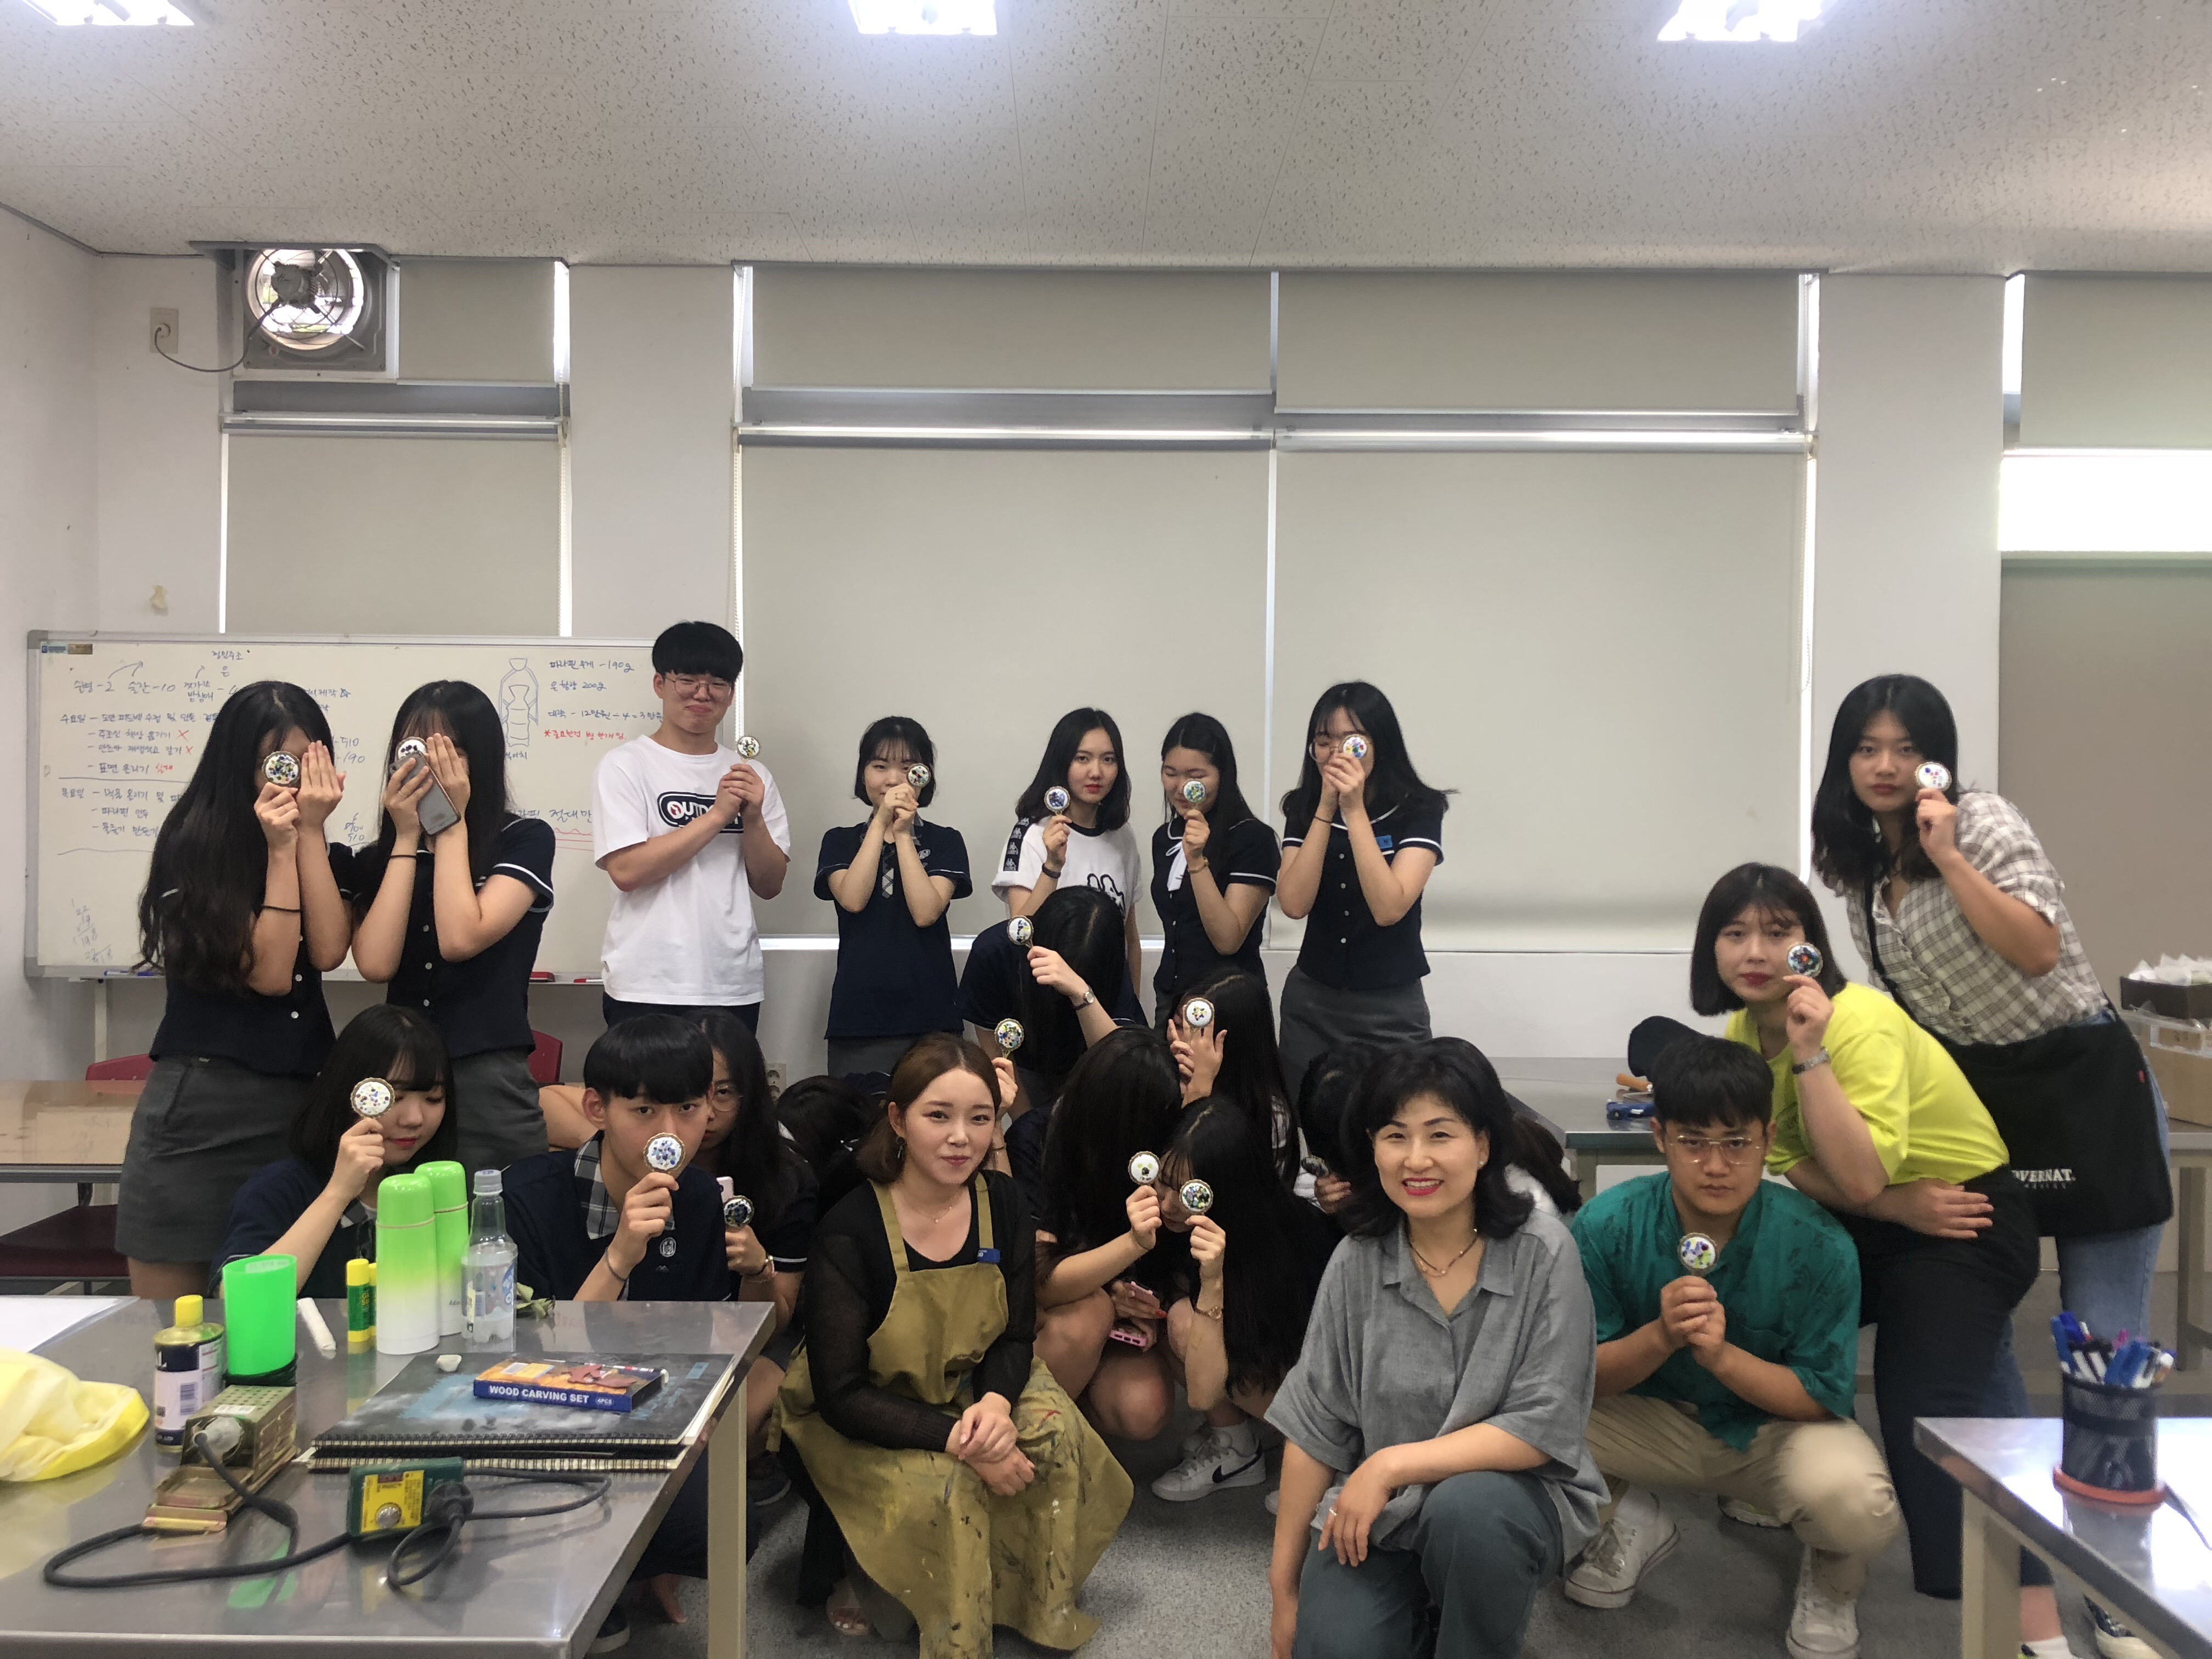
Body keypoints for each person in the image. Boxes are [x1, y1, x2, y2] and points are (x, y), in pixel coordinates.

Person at [1814, 676, 2171, 1659]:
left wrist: (1946, 857)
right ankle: (2033, 1585)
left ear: (1936, 755)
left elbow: (2037, 947)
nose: (1885, 765)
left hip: (2083, 1087)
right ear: (1845, 760)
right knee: (1980, 1345)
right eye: (1866, 747)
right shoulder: (1854, 870)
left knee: (2103, 1353)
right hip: (1983, 1115)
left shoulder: (1981, 823)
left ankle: (2120, 1590)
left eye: (1906, 746)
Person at [1694, 863, 2040, 1612]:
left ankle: (1998, 1596)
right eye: (1734, 933)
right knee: (1755, 1316)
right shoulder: (1744, 1029)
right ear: (1710, 949)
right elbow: (1787, 1156)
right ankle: (1802, 1494)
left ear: (1810, 947)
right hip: (1888, 1212)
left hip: (1963, 1217)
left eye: (1778, 933)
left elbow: (1855, 1175)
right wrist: (1893, 1208)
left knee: (1922, 1395)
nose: (1755, 951)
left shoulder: (1858, 1022)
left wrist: (1811, 1052)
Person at [775, 1035, 1133, 1654]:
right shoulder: (851, 1229)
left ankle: (1025, 1597)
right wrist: (962, 1443)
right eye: (938, 1116)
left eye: (980, 1118)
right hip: (871, 1405)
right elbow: (842, 1395)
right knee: (954, 1483)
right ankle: (901, 1591)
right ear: (898, 1120)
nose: (960, 1138)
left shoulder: (1004, 1204)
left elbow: (1015, 1333)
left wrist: (995, 1406)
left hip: (970, 1381)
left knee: (1054, 1436)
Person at [1266, 1040, 1605, 1659]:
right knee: (1334, 1646)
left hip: (1506, 1502)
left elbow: (1543, 1424)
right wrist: (1283, 1590)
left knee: (1471, 1514)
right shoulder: (1356, 1261)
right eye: (1395, 1136)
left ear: (1484, 1145)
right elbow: (1314, 1426)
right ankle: (1424, 1615)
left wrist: (1388, 1466)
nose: (1416, 1159)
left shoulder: (1544, 1252)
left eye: (1440, 1135)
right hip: (1386, 1512)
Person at [1566, 1032, 1898, 1659]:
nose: (1715, 1166)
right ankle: (1630, 1516)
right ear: (1659, 1136)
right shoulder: (1607, 1226)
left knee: (1856, 1503)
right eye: (1693, 1142)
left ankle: (1832, 1573)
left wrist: (1721, 1358)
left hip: (1772, 1432)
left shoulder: (1819, 1244)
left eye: (1736, 1143)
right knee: (1519, 1425)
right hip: (1648, 1422)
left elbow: (1821, 1397)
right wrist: (1660, 1337)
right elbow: (1580, 1377)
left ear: (1768, 1140)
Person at [119, 681, 356, 1301]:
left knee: (272, 1313)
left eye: (306, 761)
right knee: (176, 1325)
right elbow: (271, 975)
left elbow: (329, 950)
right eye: (274, 763)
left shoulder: (313, 843)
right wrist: (280, 851)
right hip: (203, 1111)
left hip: (298, 1107)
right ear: (238, 765)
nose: (291, 779)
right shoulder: (193, 845)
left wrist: (308, 834)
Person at [500, 1014, 732, 1646]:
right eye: (645, 1111)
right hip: (543, 1411)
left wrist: (695, 1416)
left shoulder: (700, 1198)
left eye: (688, 1109)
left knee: (723, 1529)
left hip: (649, 1408)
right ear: (597, 1109)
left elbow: (701, 1334)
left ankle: (627, 1570)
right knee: (536, 1515)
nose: (670, 1133)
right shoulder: (527, 1198)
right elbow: (530, 1360)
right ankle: (579, 1582)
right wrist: (620, 1255)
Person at [351, 680, 556, 1175]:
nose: (430, 766)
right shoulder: (378, 857)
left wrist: (450, 824)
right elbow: (375, 965)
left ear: (481, 758)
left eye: (451, 751)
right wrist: (406, 836)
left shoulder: (523, 839)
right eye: (415, 750)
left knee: (505, 1209)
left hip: (487, 1071)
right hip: (400, 1075)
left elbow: (461, 938)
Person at [591, 620, 789, 1032]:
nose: (703, 694)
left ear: (730, 695)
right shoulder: (626, 765)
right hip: (646, 981)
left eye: (718, 683)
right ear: (660, 684)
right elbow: (626, 871)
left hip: (731, 982)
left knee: (729, 1080)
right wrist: (717, 817)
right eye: (688, 680)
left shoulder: (752, 775)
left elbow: (770, 885)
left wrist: (752, 818)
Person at [1148, 1096, 1342, 1504]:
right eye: (1163, 1180)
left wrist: (1212, 1285)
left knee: (1186, 1323)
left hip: (1319, 1389)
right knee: (1167, 1313)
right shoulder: (1171, 1223)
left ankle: (1328, 1462)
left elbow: (1208, 1390)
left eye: (1188, 1192)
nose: (1167, 1202)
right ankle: (1235, 1443)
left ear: (1225, 1190)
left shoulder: (1279, 1246)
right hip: (1266, 1370)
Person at [1274, 682, 1448, 1098]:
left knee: (1395, 1116)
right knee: (1310, 1121)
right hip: (1312, 1004)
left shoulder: (1419, 809)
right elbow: (1294, 904)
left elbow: (1389, 907)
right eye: (1323, 742)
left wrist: (1353, 810)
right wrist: (1326, 807)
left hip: (1390, 1008)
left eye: (1351, 740)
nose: (1336, 753)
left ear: (1379, 743)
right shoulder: (1303, 807)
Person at [213, 1007, 460, 1296]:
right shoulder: (280, 1188)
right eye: (396, 1097)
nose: (414, 1119)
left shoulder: (436, 1190)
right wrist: (338, 1193)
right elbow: (237, 1297)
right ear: (351, 1094)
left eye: (433, 1099)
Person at [1029, 1029, 1187, 1438]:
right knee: (1088, 1316)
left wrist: (1145, 1305)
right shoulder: (1039, 1140)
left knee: (1141, 1409)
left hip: (1119, 1315)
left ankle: (1075, 1420)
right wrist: (1124, 1257)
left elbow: (1176, 1258)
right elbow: (1040, 1281)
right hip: (1049, 1315)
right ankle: (1031, 1438)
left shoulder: (1167, 1155)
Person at [816, 718, 972, 1079]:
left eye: (907, 768)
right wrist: (880, 822)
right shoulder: (839, 841)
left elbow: (926, 913)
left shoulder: (946, 841)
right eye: (880, 766)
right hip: (858, 1019)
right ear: (863, 774)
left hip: (933, 1019)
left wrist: (903, 834)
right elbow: (853, 900)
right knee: (858, 1114)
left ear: (924, 776)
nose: (893, 779)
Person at [697, 1011, 817, 1464]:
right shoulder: (645, 1163)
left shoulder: (785, 1177)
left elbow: (774, 1328)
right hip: (663, 1330)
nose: (707, 1111)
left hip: (764, 1336)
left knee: (728, 1429)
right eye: (691, 1092)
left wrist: (758, 1270)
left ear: (750, 1095)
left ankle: (761, 1476)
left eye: (724, 1092)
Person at [964, 886, 1138, 1146]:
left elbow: (1120, 1067)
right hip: (1024, 1064)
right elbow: (996, 1052)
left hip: (1092, 1065)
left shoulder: (1103, 951)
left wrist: (1081, 993)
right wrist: (1027, 1126)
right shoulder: (995, 951)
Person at [993, 707, 1143, 996]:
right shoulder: (1031, 833)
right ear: (1061, 762)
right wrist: (1052, 866)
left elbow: (1130, 938)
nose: (1096, 772)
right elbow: (1019, 933)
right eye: (1082, 758)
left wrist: (1133, 1009)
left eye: (1108, 760)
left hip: (1110, 1000)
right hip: (1049, 997)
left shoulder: (1123, 836)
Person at [1152, 713, 1279, 1023]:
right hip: (1171, 999)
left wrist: (1197, 862)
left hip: (1230, 1003)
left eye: (1196, 775)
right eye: (1170, 773)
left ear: (1223, 774)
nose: (1182, 787)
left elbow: (1228, 939)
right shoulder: (1164, 837)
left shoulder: (1253, 838)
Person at [1167, 967, 1299, 1188]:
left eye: (1197, 1032)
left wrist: (1198, 1092)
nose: (1180, 1042)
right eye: (1179, 1025)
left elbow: (1195, 1185)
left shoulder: (1269, 1116)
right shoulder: (1163, 1080)